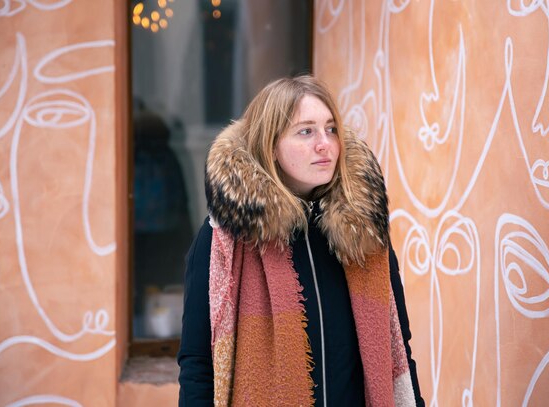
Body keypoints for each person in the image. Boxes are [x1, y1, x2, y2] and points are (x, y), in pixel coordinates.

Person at [177, 75, 425, 406]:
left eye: (331, 129)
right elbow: (197, 365)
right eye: (306, 131)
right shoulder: (225, 240)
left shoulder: (362, 231)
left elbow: (398, 346)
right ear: (271, 146)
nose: (324, 144)